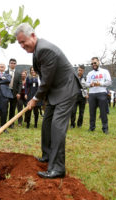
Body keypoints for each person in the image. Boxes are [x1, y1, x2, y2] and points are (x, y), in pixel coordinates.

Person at [15, 23, 81, 179]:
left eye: (23, 42)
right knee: (46, 124)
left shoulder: (45, 49)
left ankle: (58, 168)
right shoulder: (36, 50)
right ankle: (47, 156)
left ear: (32, 35)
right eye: (20, 44)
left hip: (66, 89)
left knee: (57, 126)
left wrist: (35, 98)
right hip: (54, 91)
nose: (22, 46)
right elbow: (45, 78)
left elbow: (46, 80)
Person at [85, 57, 112, 134]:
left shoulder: (105, 71)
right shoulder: (90, 73)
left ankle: (105, 128)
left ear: (98, 62)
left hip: (102, 93)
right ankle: (92, 127)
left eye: (95, 63)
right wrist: (90, 84)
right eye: (92, 63)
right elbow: (86, 84)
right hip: (92, 94)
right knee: (92, 112)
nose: (93, 64)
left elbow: (109, 82)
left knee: (103, 112)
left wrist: (100, 84)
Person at [6, 58, 21, 128]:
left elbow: (20, 84)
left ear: (16, 64)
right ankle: (4, 123)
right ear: (9, 64)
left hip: (14, 92)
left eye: (14, 63)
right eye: (11, 63)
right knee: (4, 108)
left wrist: (19, 93)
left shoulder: (18, 73)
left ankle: (11, 123)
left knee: (12, 108)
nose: (13, 64)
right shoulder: (5, 72)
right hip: (6, 92)